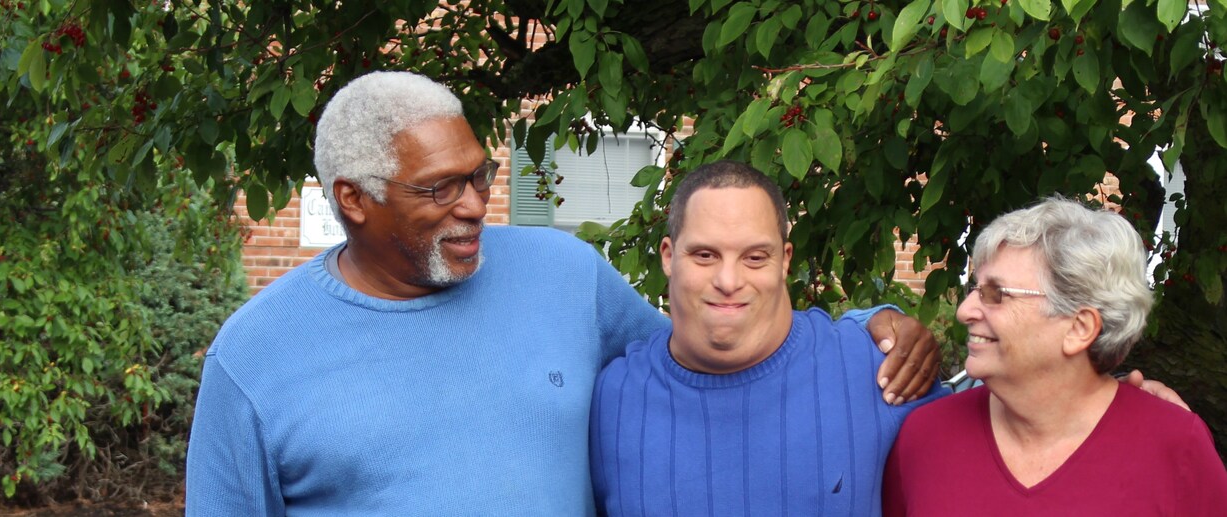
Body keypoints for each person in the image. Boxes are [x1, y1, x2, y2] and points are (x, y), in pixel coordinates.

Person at [184, 72, 940, 515]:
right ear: (353, 199)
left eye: (478, 174)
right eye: (439, 188)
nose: (477, 203)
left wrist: (869, 328)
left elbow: (711, 343)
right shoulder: (254, 359)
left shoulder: (562, 274)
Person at [589, 160, 951, 517]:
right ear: (668, 257)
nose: (728, 281)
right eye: (704, 255)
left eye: (755, 257)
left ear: (784, 260)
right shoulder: (610, 397)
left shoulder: (876, 368)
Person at [882, 198, 1227, 515]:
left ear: (1079, 328)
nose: (965, 311)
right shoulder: (926, 437)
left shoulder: (1176, 447)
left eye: (995, 294)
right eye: (975, 289)